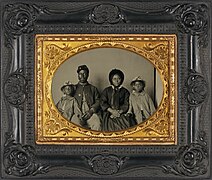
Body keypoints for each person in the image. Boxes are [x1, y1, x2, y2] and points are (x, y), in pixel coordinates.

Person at [72, 65, 101, 131]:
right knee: (74, 124)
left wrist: (91, 111)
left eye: (84, 73)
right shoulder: (73, 88)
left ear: (88, 75)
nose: (82, 75)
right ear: (78, 75)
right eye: (80, 74)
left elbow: (98, 101)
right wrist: (78, 114)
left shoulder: (93, 88)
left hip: (90, 113)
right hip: (77, 114)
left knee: (97, 122)